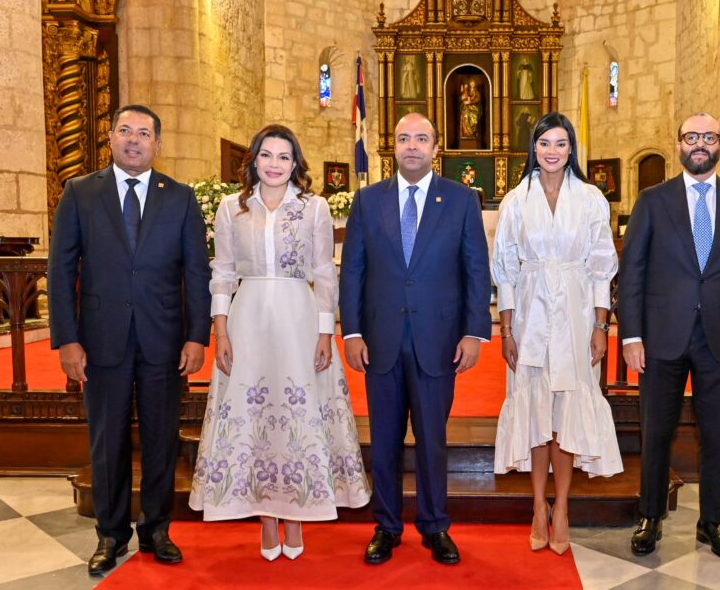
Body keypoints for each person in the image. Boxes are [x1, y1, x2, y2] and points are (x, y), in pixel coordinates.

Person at [188, 125, 370, 560]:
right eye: (266, 155)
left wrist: (326, 330)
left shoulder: (314, 208)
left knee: (295, 411)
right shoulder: (233, 207)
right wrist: (221, 327)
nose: (274, 164)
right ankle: (266, 518)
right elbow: (223, 271)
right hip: (247, 314)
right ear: (253, 160)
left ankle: (295, 515)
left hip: (297, 317)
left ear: (295, 163)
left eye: (284, 157)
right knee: (254, 415)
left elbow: (325, 272)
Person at [48, 104, 212, 576]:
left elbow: (195, 272)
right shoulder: (80, 193)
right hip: (101, 341)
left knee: (161, 438)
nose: (134, 140)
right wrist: (67, 340)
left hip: (164, 339)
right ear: (111, 137)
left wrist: (196, 336)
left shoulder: (179, 197)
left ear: (157, 144)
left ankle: (157, 529)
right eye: (125, 131)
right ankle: (110, 533)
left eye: (144, 133)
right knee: (107, 440)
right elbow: (61, 270)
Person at [339, 112, 491, 565]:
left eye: (421, 139)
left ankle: (435, 525)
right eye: (403, 137)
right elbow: (354, 270)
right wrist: (352, 330)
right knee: (384, 440)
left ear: (435, 148)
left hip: (438, 340)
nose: (411, 146)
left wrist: (472, 332)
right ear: (393, 145)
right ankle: (386, 525)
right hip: (380, 340)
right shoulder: (368, 200)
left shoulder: (462, 200)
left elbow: (475, 270)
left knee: (432, 439)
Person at [617, 112, 720, 560]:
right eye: (691, 137)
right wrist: (631, 336)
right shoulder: (652, 199)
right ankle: (650, 517)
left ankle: (713, 522)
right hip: (662, 335)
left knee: (717, 433)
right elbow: (634, 273)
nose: (699, 144)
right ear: (679, 143)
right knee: (656, 431)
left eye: (708, 136)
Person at [492, 112, 622, 555]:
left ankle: (562, 506)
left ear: (571, 150)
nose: (552, 151)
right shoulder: (515, 200)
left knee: (565, 415)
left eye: (561, 143)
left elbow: (602, 267)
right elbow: (505, 269)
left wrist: (602, 326)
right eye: (544, 143)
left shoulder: (589, 199)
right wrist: (506, 329)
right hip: (528, 314)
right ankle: (536, 505)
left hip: (575, 311)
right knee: (536, 416)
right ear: (534, 148)